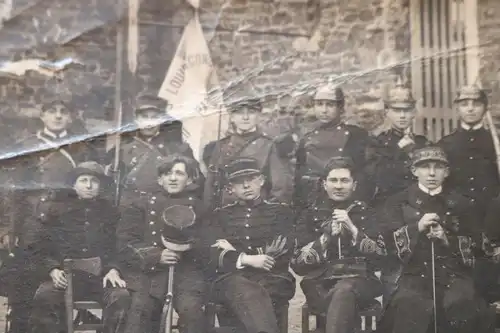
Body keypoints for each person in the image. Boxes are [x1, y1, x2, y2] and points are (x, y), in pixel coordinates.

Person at [5, 92, 99, 333]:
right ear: (42, 115)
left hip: (66, 223)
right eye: (52, 111)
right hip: (32, 222)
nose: (57, 116)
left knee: (58, 286)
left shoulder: (82, 148)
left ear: (70, 117)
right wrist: (10, 229)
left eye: (63, 112)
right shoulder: (27, 145)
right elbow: (15, 192)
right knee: (24, 286)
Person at [378, 145, 495, 333]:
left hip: (454, 275)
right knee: (409, 305)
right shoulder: (397, 202)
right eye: (425, 167)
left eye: (438, 167)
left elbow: (478, 247)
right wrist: (416, 228)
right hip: (413, 274)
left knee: (461, 304)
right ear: (414, 170)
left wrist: (446, 238)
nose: (431, 173)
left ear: (446, 172)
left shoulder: (463, 204)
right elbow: (386, 244)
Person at [29, 161, 130, 333]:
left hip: (100, 279)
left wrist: (114, 269)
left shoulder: (111, 212)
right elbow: (41, 247)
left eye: (94, 181)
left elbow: (120, 245)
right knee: (45, 296)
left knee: (121, 297)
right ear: (74, 185)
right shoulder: (56, 210)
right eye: (83, 180)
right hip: (65, 279)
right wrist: (52, 269)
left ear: (100, 186)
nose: (89, 185)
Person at [292, 156, 384, 333]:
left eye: (345, 180)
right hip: (320, 283)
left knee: (345, 289)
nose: (339, 186)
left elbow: (380, 258)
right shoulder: (309, 215)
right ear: (324, 184)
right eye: (333, 180)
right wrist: (326, 238)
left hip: (360, 282)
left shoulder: (367, 213)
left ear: (354, 185)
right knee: (341, 294)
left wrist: (353, 229)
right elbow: (298, 264)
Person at [204, 157, 296, 333]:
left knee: (254, 293)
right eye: (239, 182)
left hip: (273, 278)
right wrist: (247, 258)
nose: (246, 186)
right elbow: (212, 255)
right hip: (232, 281)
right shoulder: (220, 216)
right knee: (244, 289)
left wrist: (234, 253)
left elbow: (281, 251)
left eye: (251, 180)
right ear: (230, 188)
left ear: (261, 181)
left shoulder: (280, 212)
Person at [117, 154, 207, 333]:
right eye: (167, 174)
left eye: (179, 174)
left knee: (192, 312)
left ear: (189, 179)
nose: (173, 178)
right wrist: (156, 255)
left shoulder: (200, 207)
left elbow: (207, 242)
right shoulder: (140, 205)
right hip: (149, 274)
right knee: (140, 311)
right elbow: (125, 242)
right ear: (160, 179)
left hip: (186, 274)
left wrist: (186, 248)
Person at [438, 84, 500, 302]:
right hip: (460, 221)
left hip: (492, 221)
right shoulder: (446, 144)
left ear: (485, 107)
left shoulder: (495, 143)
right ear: (457, 108)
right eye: (465, 104)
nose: (471, 109)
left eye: (476, 103)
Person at [374, 80, 428, 303]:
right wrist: (399, 151)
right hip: (391, 213)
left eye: (407, 110)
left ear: (414, 112)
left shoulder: (423, 142)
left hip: (419, 210)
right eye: (397, 110)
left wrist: (413, 150)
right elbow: (377, 177)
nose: (402, 116)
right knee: (393, 274)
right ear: (387, 112)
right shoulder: (378, 144)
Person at [202, 93, 293, 211]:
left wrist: (268, 215)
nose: (245, 117)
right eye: (239, 112)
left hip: (257, 213)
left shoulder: (269, 145)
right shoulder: (220, 146)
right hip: (224, 213)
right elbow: (210, 185)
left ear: (258, 115)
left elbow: (280, 188)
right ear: (232, 117)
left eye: (251, 112)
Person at [294, 84, 377, 209]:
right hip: (313, 205)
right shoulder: (306, 138)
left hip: (348, 205)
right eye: (319, 104)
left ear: (340, 107)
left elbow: (366, 177)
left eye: (330, 105)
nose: (324, 110)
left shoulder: (357, 136)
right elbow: (299, 179)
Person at [107, 94, 197, 196]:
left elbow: (195, 182)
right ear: (136, 120)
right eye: (144, 117)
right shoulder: (122, 149)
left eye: (154, 118)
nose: (149, 123)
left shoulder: (178, 149)